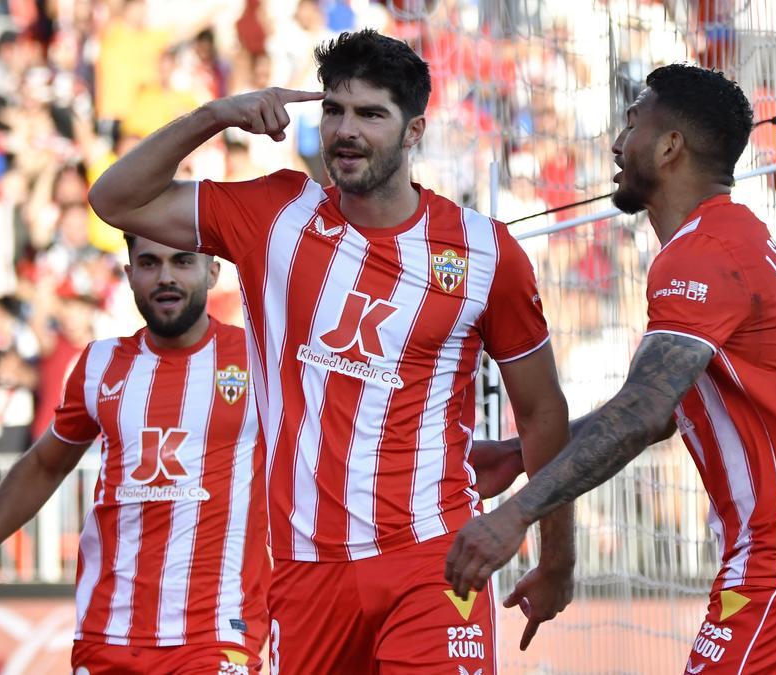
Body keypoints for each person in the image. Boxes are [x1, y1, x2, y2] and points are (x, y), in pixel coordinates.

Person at [89, 29, 573, 675]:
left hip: (431, 557)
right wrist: (212, 116)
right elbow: (114, 200)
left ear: (414, 131)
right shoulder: (274, 213)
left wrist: (558, 558)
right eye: (335, 110)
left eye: (371, 114)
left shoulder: (484, 252)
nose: (347, 130)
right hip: (303, 568)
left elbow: (542, 412)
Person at [444, 64, 776, 674]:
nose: (614, 143)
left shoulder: (703, 254)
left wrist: (514, 515)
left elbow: (643, 409)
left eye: (631, 124)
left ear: (669, 146)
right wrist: (523, 453)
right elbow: (668, 411)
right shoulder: (736, 238)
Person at [0, 234, 527, 674]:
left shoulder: (269, 360)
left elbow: (360, 440)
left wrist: (490, 458)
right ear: (129, 274)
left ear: (212, 269)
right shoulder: (98, 366)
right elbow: (43, 465)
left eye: (182, 261)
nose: (166, 277)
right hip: (106, 635)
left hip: (217, 637)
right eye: (149, 263)